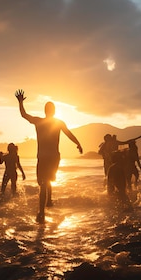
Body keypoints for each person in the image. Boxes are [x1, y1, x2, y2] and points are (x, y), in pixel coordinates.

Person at [15, 89, 83, 223]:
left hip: (43, 157)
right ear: (54, 111)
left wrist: (20, 102)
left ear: (46, 111)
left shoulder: (39, 121)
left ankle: (41, 213)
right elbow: (69, 134)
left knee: (43, 183)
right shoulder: (58, 122)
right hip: (54, 157)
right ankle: (49, 201)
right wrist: (78, 144)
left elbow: (24, 114)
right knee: (47, 181)